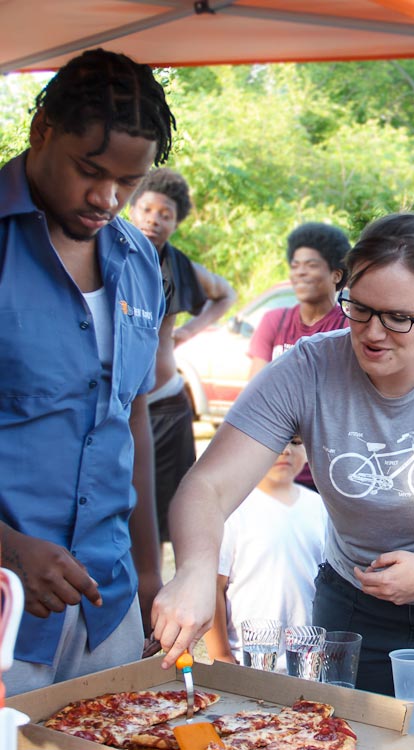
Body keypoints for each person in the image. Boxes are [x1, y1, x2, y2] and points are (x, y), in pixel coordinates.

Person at [151, 209, 414, 697]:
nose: (373, 333)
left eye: (399, 318)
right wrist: (193, 570)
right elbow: (208, 485)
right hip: (351, 610)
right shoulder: (307, 368)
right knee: (337, 731)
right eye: (359, 308)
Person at [0, 48, 176, 696]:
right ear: (41, 129)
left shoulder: (137, 259)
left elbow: (131, 419)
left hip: (112, 608)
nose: (108, 198)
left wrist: (152, 574)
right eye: (89, 170)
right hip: (6, 615)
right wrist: (8, 548)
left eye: (128, 182)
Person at [129, 169, 236, 543]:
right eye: (147, 209)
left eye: (165, 214)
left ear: (176, 222)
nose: (154, 220)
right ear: (131, 208)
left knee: (162, 521)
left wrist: (190, 330)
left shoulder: (178, 265)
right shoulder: (106, 255)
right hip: (118, 409)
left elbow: (225, 294)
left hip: (165, 404)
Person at [203, 436, 327, 671]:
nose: (285, 451)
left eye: (296, 442)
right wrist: (220, 655)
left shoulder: (320, 507)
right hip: (249, 659)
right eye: (274, 440)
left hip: (309, 658)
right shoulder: (232, 509)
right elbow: (212, 586)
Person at [248, 222, 350, 490]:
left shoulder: (349, 328)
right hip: (275, 472)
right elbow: (255, 396)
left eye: (312, 265)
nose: (301, 273)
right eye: (295, 265)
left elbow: (341, 402)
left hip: (328, 476)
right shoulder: (273, 321)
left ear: (336, 274)